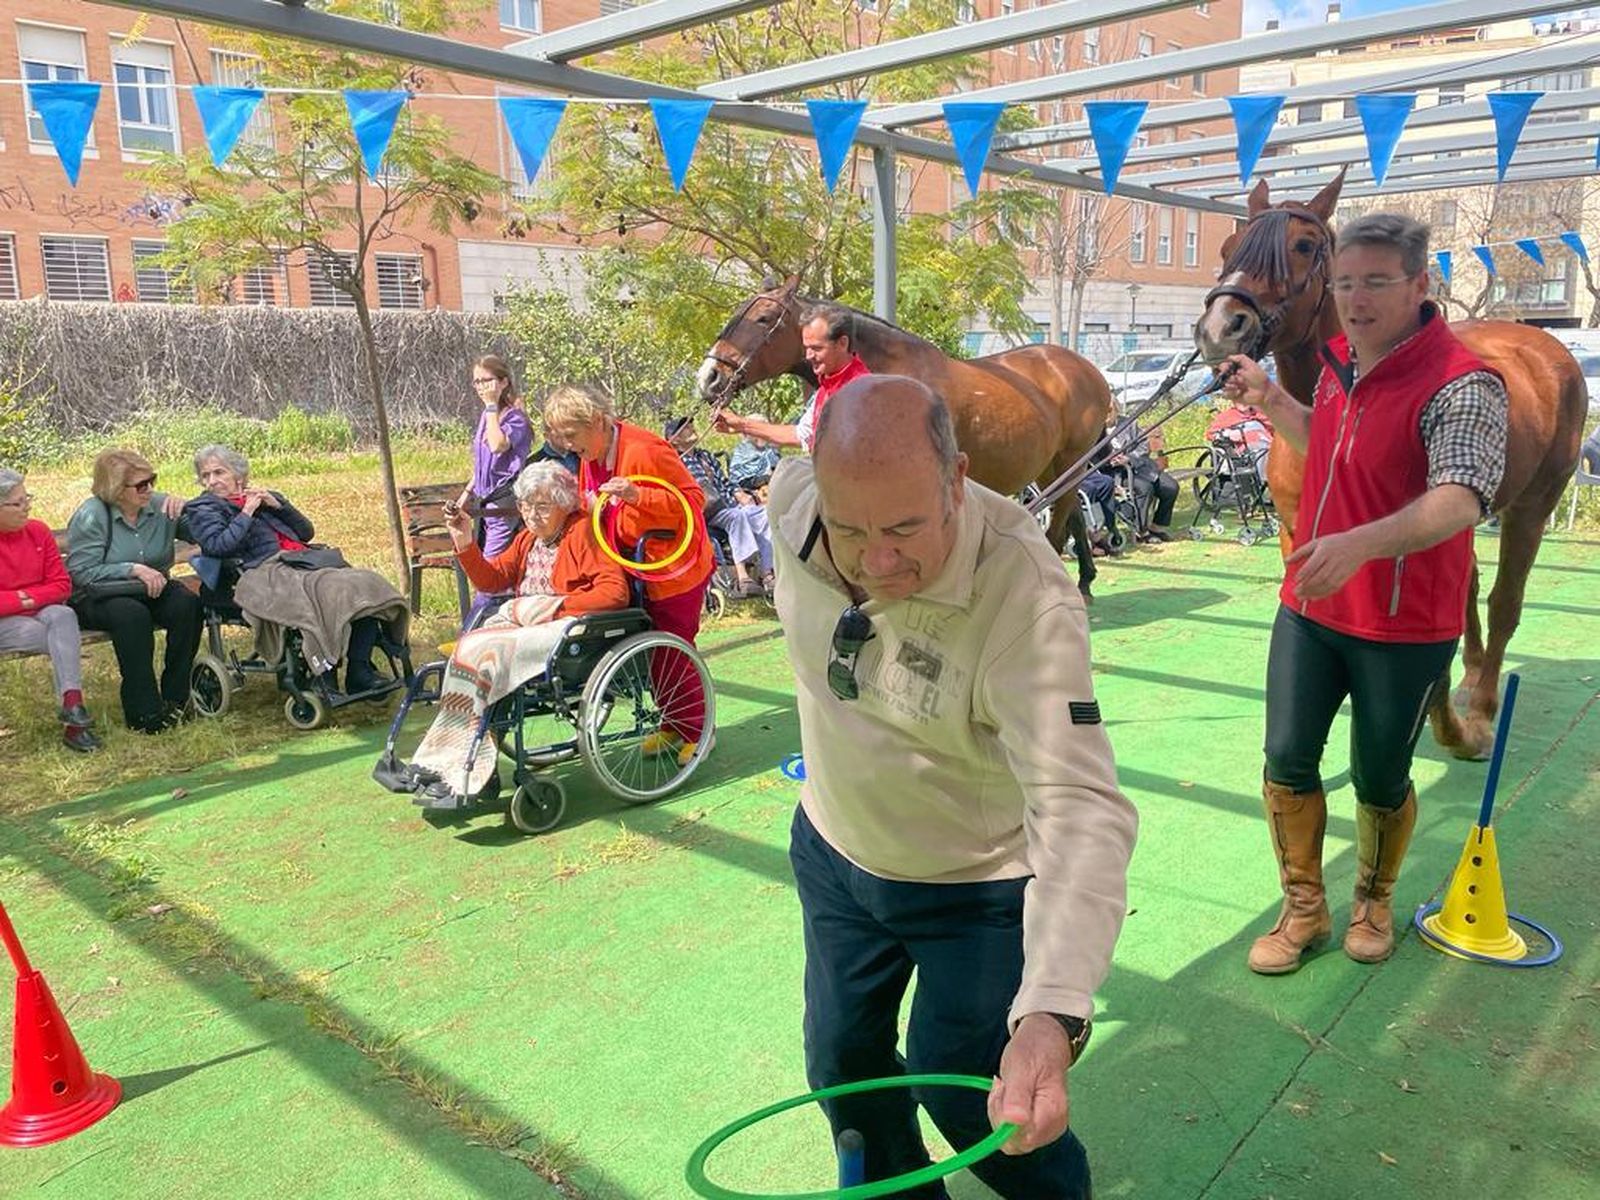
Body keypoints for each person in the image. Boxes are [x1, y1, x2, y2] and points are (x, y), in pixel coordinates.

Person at [768, 375, 1137, 1198]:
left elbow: (1081, 806)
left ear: (958, 479)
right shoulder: (791, 499)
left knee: (967, 1089)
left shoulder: (1028, 600)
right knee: (841, 1067)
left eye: (904, 526)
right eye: (851, 529)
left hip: (975, 884)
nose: (878, 559)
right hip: (835, 850)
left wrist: (1051, 1011)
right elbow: (805, 496)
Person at [1222, 212, 1509, 974]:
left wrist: (1357, 545)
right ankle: (1305, 909)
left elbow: (1462, 497)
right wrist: (1271, 402)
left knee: (1382, 776)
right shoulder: (1337, 360)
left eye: (1376, 282)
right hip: (1311, 607)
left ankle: (1373, 904)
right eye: (1345, 282)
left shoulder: (1464, 380)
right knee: (1286, 760)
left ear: (1420, 285)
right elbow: (1336, 449)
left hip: (1405, 623)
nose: (1355, 298)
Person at [402, 461, 630, 803]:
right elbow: (492, 580)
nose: (531, 515)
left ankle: (475, 767)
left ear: (564, 504)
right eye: (525, 505)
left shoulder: (582, 533)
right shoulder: (528, 539)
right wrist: (464, 540)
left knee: (492, 659)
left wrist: (551, 608)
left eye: (541, 506)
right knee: (472, 651)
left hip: (569, 635)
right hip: (533, 628)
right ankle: (454, 761)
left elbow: (615, 593)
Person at [541, 383, 715, 767]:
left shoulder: (645, 449)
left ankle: (699, 731)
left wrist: (639, 497)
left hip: (673, 568)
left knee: (673, 648)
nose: (569, 445)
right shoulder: (594, 452)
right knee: (654, 654)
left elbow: (694, 500)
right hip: (632, 566)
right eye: (563, 437)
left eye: (573, 435)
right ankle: (675, 722)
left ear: (599, 422)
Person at [184, 444, 404, 696]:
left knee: (365, 584)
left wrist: (278, 505)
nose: (212, 481)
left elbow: (306, 532)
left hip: (304, 561)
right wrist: (246, 513)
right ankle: (324, 673)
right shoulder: (203, 508)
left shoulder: (263, 496)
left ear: (239, 475)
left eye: (219, 473)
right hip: (260, 571)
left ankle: (360, 669)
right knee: (328, 592)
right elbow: (217, 546)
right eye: (205, 475)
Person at [65, 448, 203, 734]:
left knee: (187, 605)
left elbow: (205, 532)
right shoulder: (93, 515)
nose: (149, 489)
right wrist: (132, 569)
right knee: (132, 616)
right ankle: (144, 714)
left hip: (150, 588)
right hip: (100, 594)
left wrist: (191, 508)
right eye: (141, 485)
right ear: (116, 489)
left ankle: (177, 699)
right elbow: (81, 572)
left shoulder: (159, 506)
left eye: (152, 480)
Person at [0, 468, 100, 751]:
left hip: (44, 614)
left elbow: (61, 586)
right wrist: (30, 598)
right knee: (63, 637)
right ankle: (75, 728)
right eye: (17, 503)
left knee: (64, 614)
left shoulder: (38, 531)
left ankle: (72, 705)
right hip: (7, 624)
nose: (27, 507)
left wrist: (20, 598)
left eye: (26, 498)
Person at [713, 303, 871, 452]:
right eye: (806, 348)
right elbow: (801, 434)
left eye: (816, 348)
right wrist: (741, 424)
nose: (809, 356)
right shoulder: (826, 388)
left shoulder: (865, 391)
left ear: (842, 343)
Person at [455, 355, 535, 628]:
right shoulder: (487, 416)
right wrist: (465, 495)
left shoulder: (515, 418)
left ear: (503, 382)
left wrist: (491, 406)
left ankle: (471, 630)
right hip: (484, 502)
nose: (480, 387)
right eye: (476, 381)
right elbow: (482, 462)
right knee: (483, 565)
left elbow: (499, 445)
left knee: (487, 571)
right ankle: (487, 624)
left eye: (487, 380)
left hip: (505, 505)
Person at [665, 415, 773, 598]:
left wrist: (739, 493)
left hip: (728, 504)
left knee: (763, 514)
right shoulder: (675, 461)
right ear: (673, 439)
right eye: (684, 426)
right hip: (706, 512)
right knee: (736, 517)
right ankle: (743, 577)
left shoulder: (705, 456)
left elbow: (725, 482)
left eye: (691, 423)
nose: (691, 427)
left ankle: (767, 574)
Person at [1109, 420, 1179, 542]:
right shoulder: (1094, 427)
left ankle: (1157, 527)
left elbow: (1144, 445)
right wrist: (1111, 460)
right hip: (1118, 473)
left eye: (1111, 410)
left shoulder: (1128, 423)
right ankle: (1141, 530)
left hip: (1142, 467)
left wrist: (1129, 458)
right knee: (1145, 488)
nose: (1108, 415)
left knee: (1170, 487)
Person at [728, 414, 782, 493]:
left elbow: (778, 467)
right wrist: (765, 479)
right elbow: (738, 481)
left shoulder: (770, 450)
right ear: (746, 433)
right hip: (750, 489)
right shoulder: (742, 452)